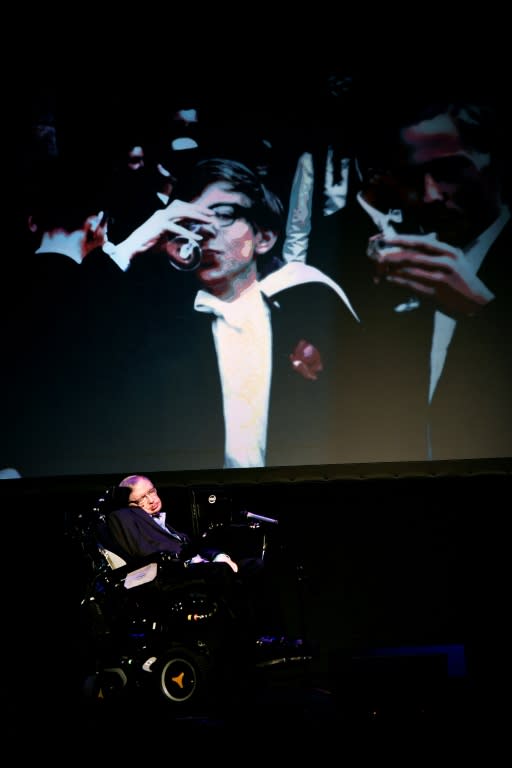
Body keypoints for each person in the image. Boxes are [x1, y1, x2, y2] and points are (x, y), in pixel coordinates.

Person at [103, 157, 361, 471]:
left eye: (224, 215)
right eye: (191, 219)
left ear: (264, 237)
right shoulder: (149, 331)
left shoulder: (303, 312)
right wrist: (129, 249)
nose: (205, 230)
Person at [312, 84, 512, 461]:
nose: (430, 194)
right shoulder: (405, 262)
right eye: (413, 178)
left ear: (497, 162)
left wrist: (479, 308)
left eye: (450, 170)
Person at [106, 474, 290, 644]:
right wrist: (190, 560)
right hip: (172, 573)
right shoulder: (125, 518)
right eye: (142, 499)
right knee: (221, 571)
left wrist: (219, 556)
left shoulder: (165, 523)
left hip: (198, 565)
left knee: (255, 565)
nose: (152, 500)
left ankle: (272, 635)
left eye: (152, 491)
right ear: (130, 505)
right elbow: (145, 552)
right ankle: (243, 639)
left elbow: (193, 544)